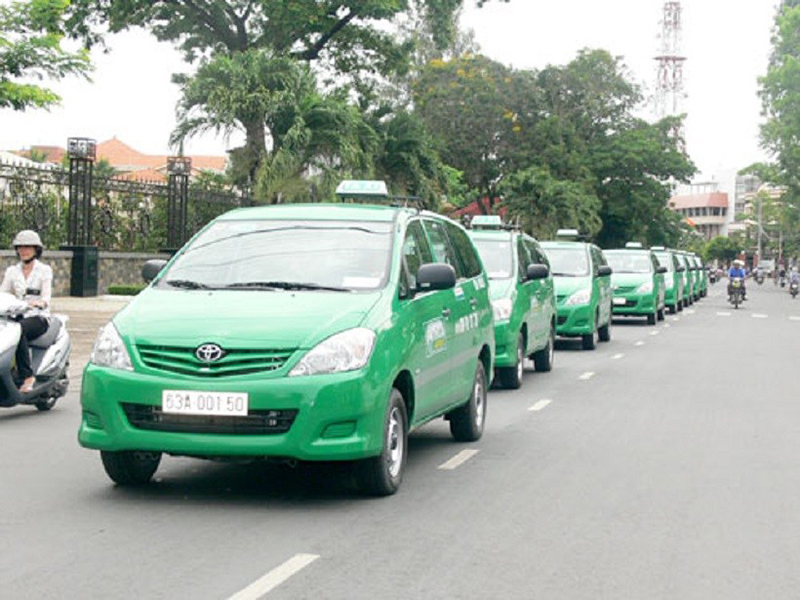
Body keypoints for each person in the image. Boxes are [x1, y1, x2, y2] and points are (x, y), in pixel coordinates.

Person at [0, 230, 52, 393]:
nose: (23, 251)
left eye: (28, 247)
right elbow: (4, 293)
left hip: (38, 317)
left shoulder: (44, 270)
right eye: (20, 247)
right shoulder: (12, 271)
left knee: (18, 331)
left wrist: (39, 303)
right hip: (15, 316)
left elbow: (46, 297)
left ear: (36, 249)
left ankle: (27, 376)